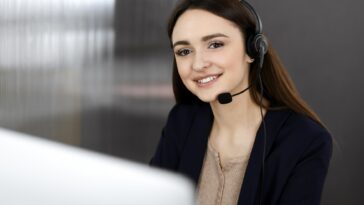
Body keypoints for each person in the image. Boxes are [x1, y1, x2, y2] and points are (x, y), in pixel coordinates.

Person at [150, 0, 333, 205]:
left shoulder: (305, 140)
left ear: (252, 50)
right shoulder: (182, 121)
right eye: (184, 51)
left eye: (215, 44)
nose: (198, 64)